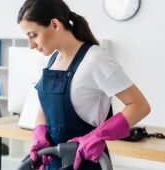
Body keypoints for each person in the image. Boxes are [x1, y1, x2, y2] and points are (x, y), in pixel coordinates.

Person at [17, 0, 151, 169]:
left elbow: (139, 105)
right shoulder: (50, 61)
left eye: (33, 35)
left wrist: (98, 136)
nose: (31, 45)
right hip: (53, 162)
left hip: (86, 161)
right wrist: (39, 132)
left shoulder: (96, 59)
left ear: (54, 24)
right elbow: (43, 110)